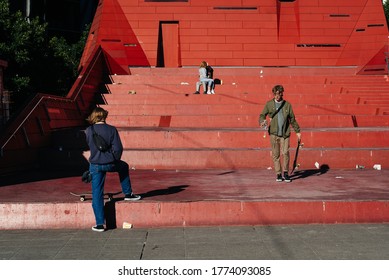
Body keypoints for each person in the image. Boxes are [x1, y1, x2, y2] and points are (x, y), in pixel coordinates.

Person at [85, 107, 141, 232]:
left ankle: (100, 224)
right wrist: (113, 159)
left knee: (97, 193)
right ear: (105, 116)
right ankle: (128, 194)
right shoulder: (111, 129)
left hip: (95, 165)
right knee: (124, 166)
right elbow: (118, 148)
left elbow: (89, 144)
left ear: (94, 116)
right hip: (110, 163)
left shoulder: (89, 130)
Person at [259, 85, 301, 182]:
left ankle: (285, 172)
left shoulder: (287, 105)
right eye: (275, 94)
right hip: (274, 133)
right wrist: (262, 121)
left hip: (285, 133)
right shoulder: (269, 104)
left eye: (278, 94)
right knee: (276, 154)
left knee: (285, 152)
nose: (277, 96)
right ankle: (278, 174)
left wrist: (297, 131)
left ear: (282, 93)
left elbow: (292, 119)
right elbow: (262, 115)